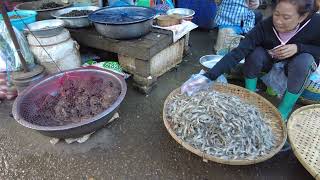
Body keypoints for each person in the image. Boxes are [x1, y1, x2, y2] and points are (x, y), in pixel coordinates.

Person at [181, 0, 320, 121]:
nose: (278, 21)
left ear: (302, 16)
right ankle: (250, 96)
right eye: (276, 14)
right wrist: (208, 77)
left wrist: (299, 48)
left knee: (304, 61)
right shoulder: (265, 26)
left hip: (296, 67)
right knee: (254, 52)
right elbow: (238, 52)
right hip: (270, 62)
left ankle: (283, 111)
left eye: (286, 17)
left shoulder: (315, 24)